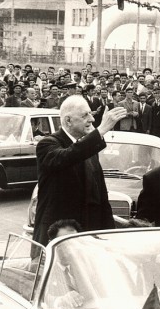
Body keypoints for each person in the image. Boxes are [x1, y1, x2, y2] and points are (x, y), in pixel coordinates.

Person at [32, 96, 128, 246]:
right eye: (85, 115)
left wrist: (110, 236)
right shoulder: (48, 144)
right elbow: (67, 156)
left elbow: (101, 197)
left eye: (91, 114)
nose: (92, 120)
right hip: (58, 237)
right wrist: (100, 131)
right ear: (68, 121)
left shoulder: (90, 148)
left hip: (89, 238)